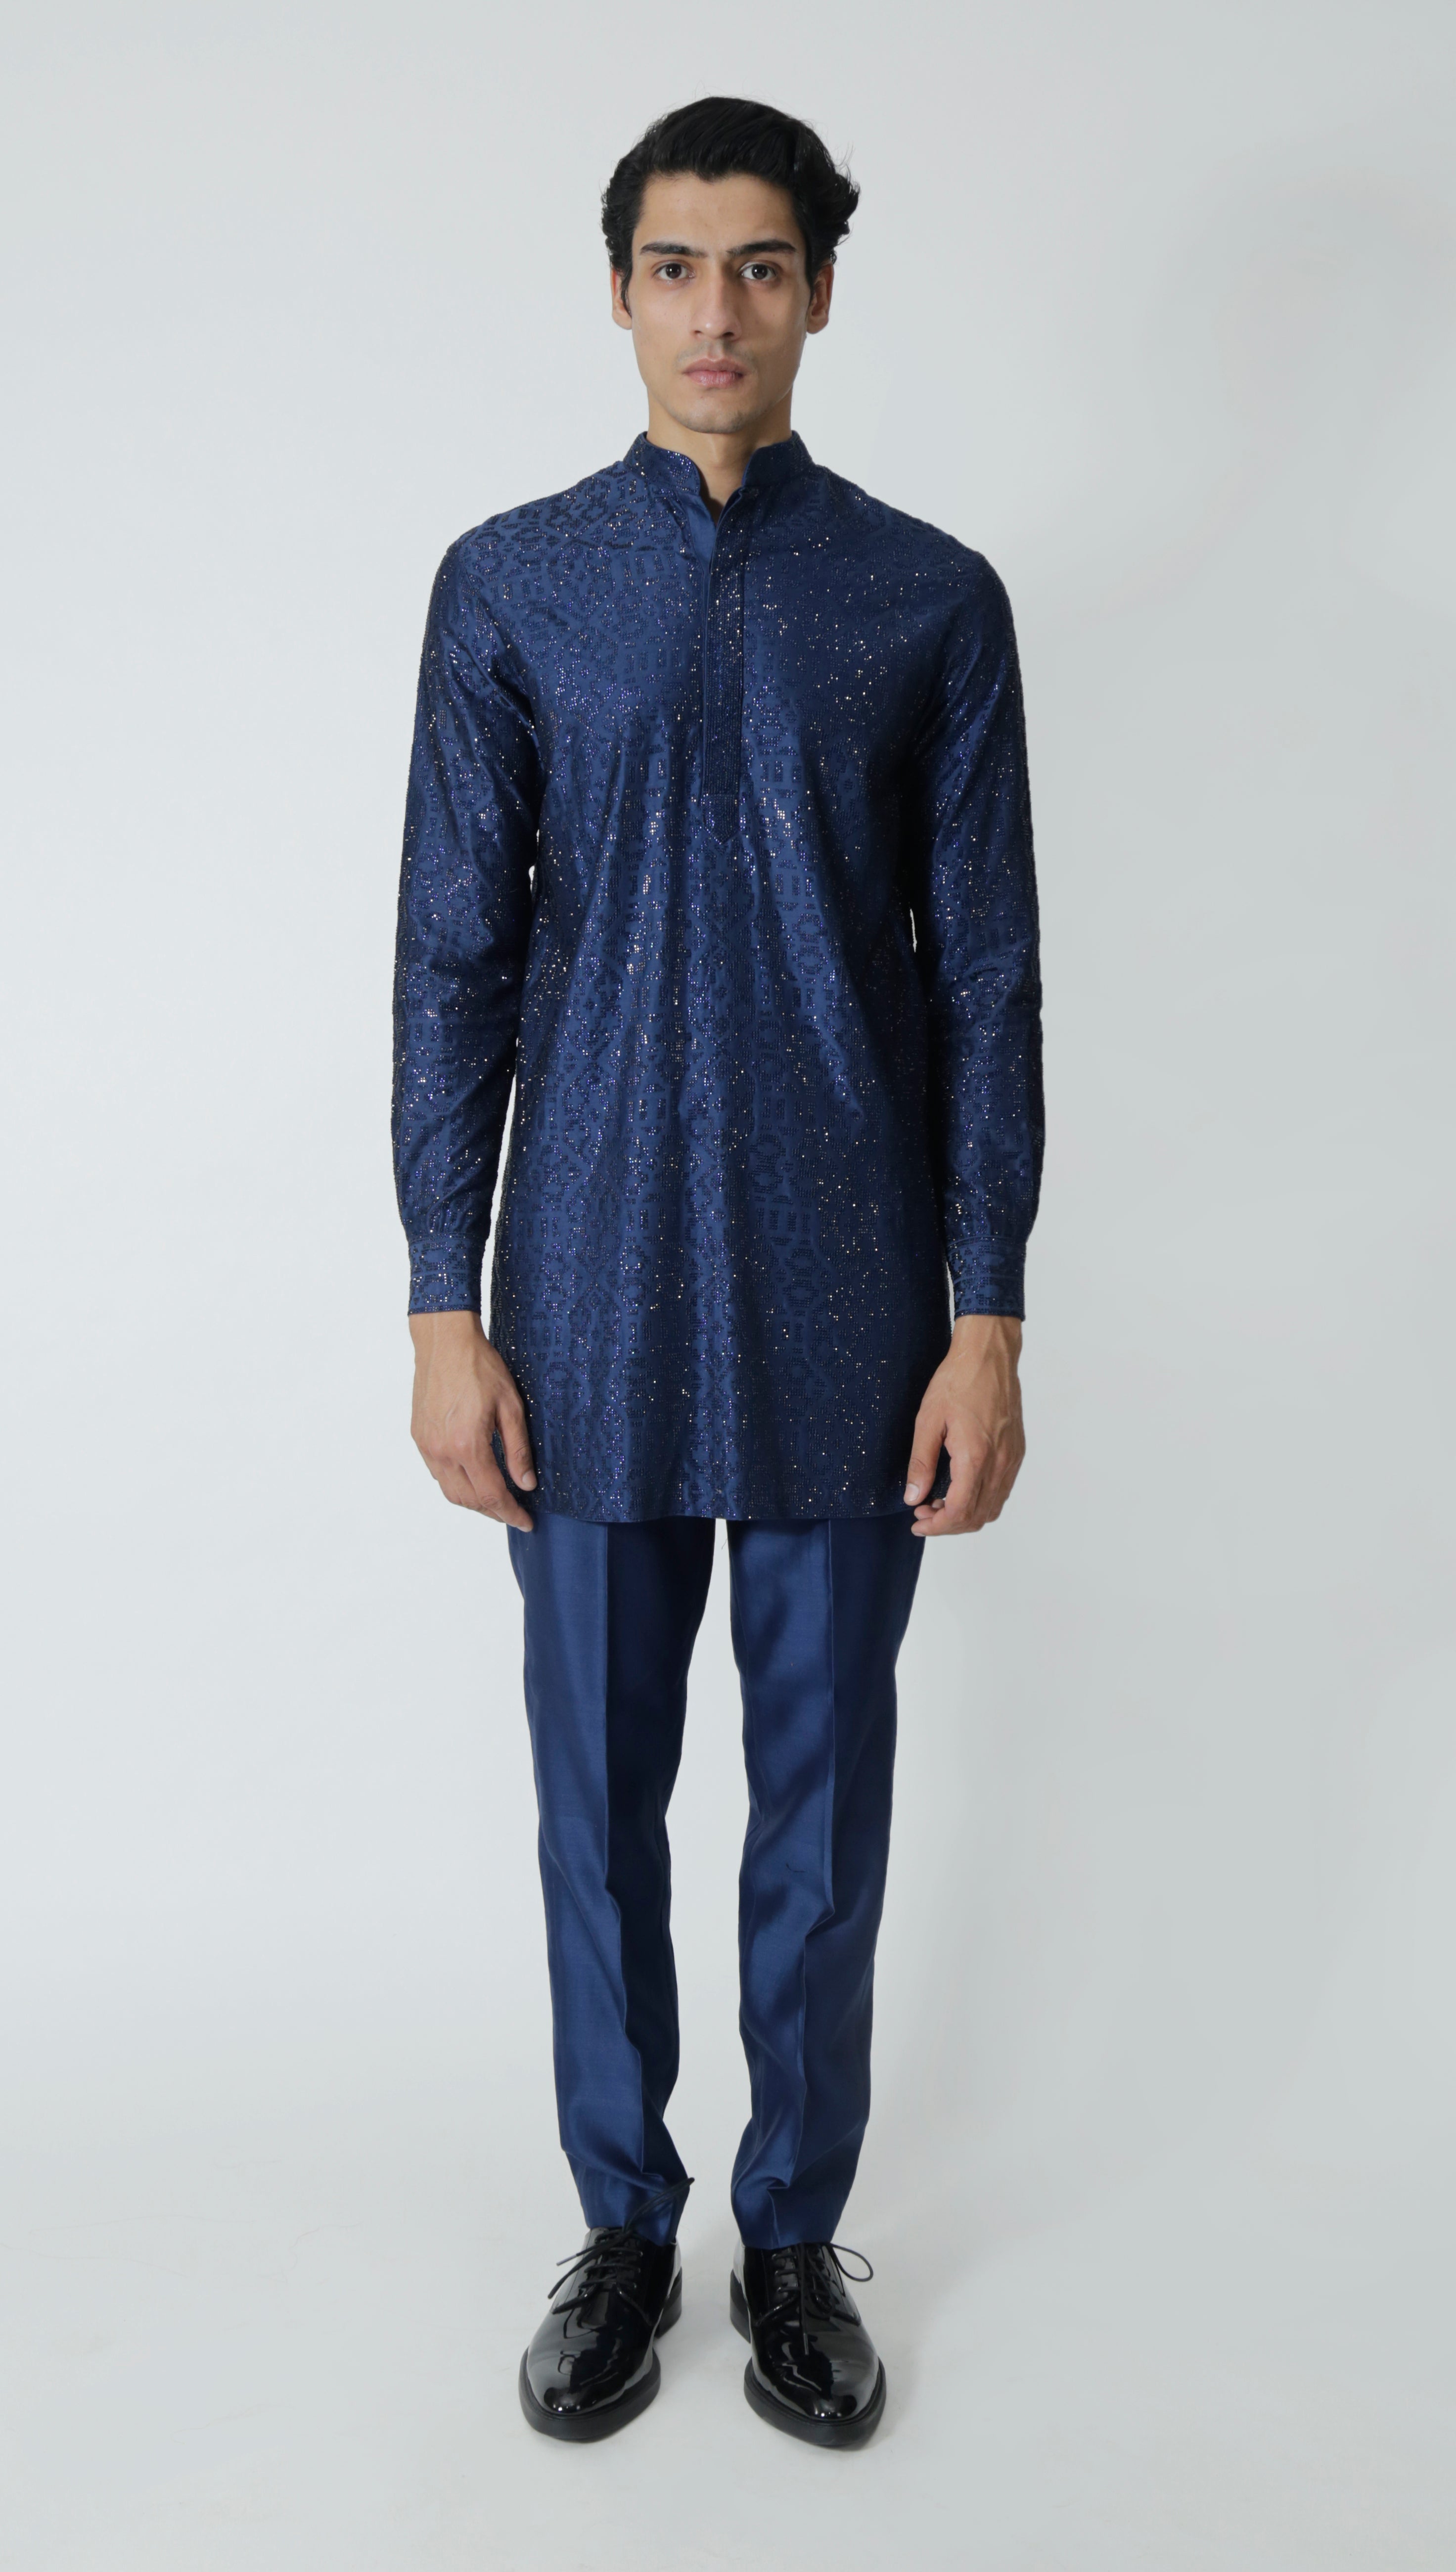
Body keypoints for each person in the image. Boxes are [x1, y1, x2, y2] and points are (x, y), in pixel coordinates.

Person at [392, 93, 1043, 2448]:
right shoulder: (512, 586)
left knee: (822, 1806)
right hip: (580, 1292)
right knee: (595, 1805)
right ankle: (616, 2223)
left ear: (820, 293)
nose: (715, 313)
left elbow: (988, 976)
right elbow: (452, 959)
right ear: (618, 291)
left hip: (853, 1302)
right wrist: (441, 1299)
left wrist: (985, 1310)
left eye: (759, 266)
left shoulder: (928, 600)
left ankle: (789, 2239)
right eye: (674, 266)